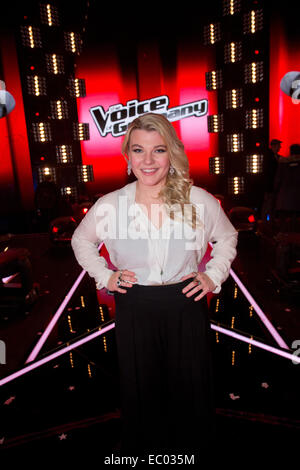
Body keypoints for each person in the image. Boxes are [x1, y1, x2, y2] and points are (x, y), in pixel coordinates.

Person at [71, 113, 238, 459]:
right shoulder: (111, 205)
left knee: (190, 386)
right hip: (136, 304)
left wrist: (213, 275)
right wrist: (106, 277)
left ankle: (193, 451)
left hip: (185, 303)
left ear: (171, 153)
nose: (148, 161)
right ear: (127, 156)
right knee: (141, 386)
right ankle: (146, 452)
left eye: (158, 150)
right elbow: (81, 241)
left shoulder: (198, 199)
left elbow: (227, 238)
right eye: (138, 150)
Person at [261, 138, 284, 222]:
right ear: (274, 146)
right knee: (268, 205)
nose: (280, 147)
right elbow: (268, 174)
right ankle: (265, 222)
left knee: (272, 205)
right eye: (278, 145)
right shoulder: (268, 157)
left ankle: (270, 221)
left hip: (274, 187)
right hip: (270, 187)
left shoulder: (277, 157)